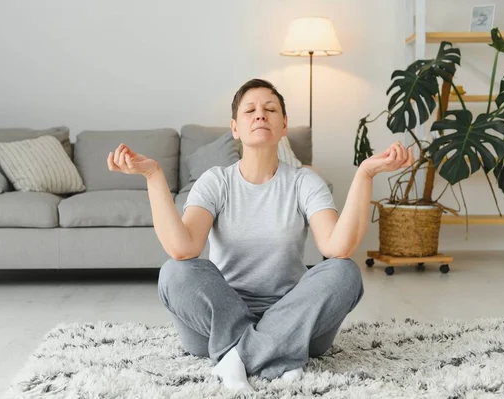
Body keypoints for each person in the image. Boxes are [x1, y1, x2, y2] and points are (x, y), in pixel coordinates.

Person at [107, 78, 414, 393]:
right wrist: (152, 175)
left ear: (284, 126)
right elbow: (183, 248)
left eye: (270, 109)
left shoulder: (304, 181)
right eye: (250, 110)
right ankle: (280, 357)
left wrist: (365, 173)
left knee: (344, 271)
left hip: (296, 319)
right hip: (220, 320)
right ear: (235, 128)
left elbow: (338, 246)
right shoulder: (215, 181)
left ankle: (236, 357)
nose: (260, 115)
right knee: (174, 271)